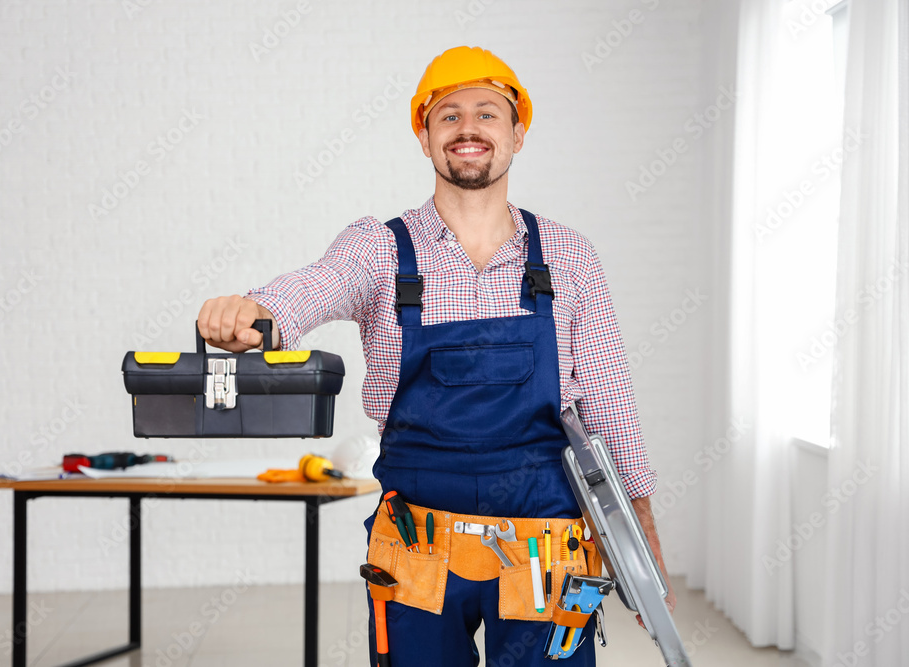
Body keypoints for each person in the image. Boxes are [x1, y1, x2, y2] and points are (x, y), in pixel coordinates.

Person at [198, 45, 674, 666]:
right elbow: (310, 290)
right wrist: (249, 315)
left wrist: (638, 538)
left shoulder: (568, 256)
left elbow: (610, 406)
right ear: (425, 138)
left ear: (517, 134)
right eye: (448, 116)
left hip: (542, 548)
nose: (468, 128)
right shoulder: (378, 249)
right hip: (419, 551)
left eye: (487, 113)